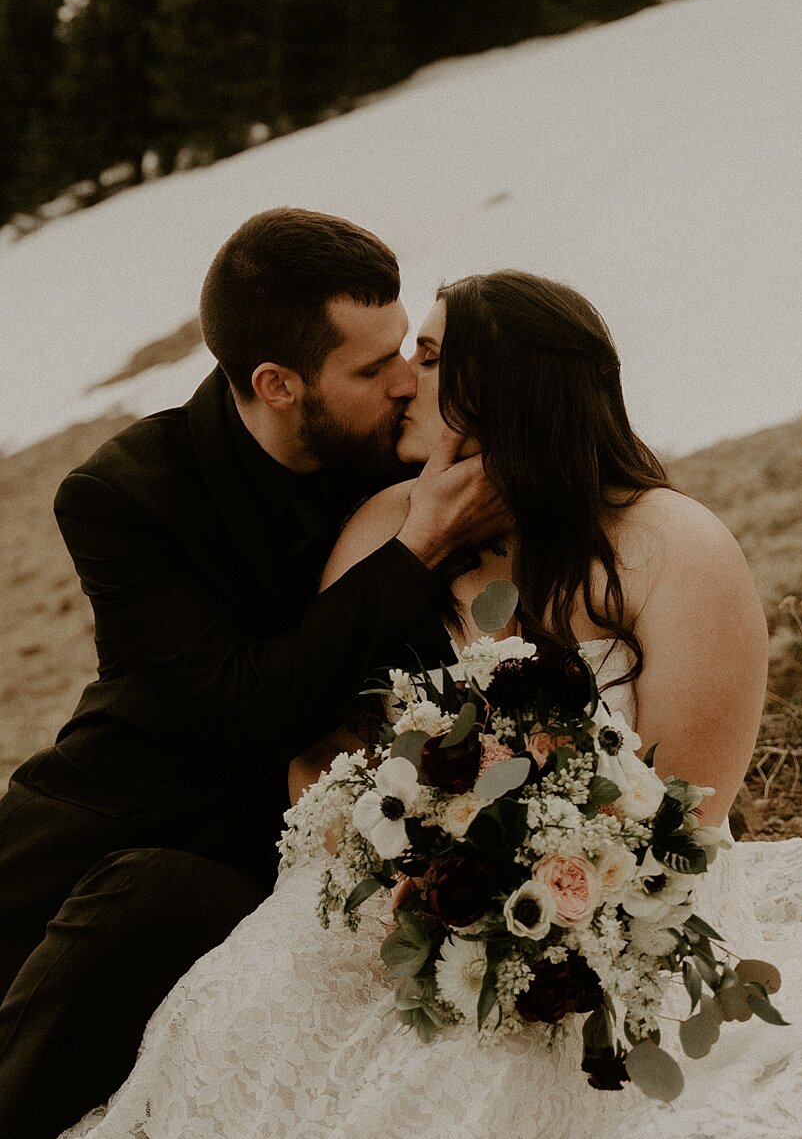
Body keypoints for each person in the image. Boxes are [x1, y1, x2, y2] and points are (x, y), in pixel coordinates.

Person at [60, 271, 802, 1139]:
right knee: (246, 1031)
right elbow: (320, 754)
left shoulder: (670, 545)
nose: (407, 379)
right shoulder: (386, 523)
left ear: (505, 385)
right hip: (394, 917)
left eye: (430, 354)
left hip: (618, 926)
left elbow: (689, 816)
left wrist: (538, 897)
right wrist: (395, 877)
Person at [0, 210, 508, 1138]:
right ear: (277, 384)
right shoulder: (123, 493)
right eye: (370, 367)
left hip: (274, 856)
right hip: (114, 804)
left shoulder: (400, 456)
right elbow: (243, 705)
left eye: (405, 349)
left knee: (137, 923)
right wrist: (417, 541)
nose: (405, 381)